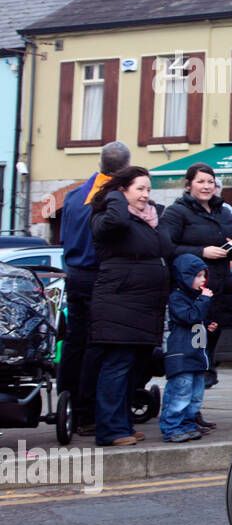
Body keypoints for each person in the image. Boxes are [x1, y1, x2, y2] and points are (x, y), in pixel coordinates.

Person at [89, 166, 172, 446]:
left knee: (132, 368)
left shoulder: (147, 219)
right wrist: (115, 198)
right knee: (117, 366)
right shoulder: (109, 215)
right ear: (122, 190)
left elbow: (165, 249)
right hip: (119, 303)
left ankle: (123, 424)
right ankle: (109, 430)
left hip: (144, 305)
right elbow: (116, 224)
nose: (146, 195)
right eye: (140, 189)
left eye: (148, 189)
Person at [58, 141, 131, 436]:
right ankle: (87, 413)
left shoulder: (75, 195)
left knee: (74, 344)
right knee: (96, 346)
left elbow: (65, 238)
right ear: (124, 168)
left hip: (74, 274)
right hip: (98, 276)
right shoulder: (112, 198)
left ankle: (68, 407)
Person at [159, 162, 232, 403]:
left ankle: (195, 409)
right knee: (191, 355)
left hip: (219, 290)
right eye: (201, 182)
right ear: (189, 185)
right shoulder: (176, 212)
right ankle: (182, 411)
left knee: (207, 355)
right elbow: (167, 248)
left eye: (210, 182)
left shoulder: (224, 211)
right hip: (191, 294)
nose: (207, 187)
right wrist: (202, 252)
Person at [160, 254, 214, 442]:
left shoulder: (196, 298)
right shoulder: (177, 298)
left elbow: (197, 319)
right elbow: (189, 317)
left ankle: (187, 424)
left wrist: (207, 324)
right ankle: (172, 426)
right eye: (197, 276)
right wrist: (204, 301)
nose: (202, 280)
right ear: (185, 276)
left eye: (203, 276)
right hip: (181, 356)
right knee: (180, 394)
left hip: (196, 357)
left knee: (195, 397)